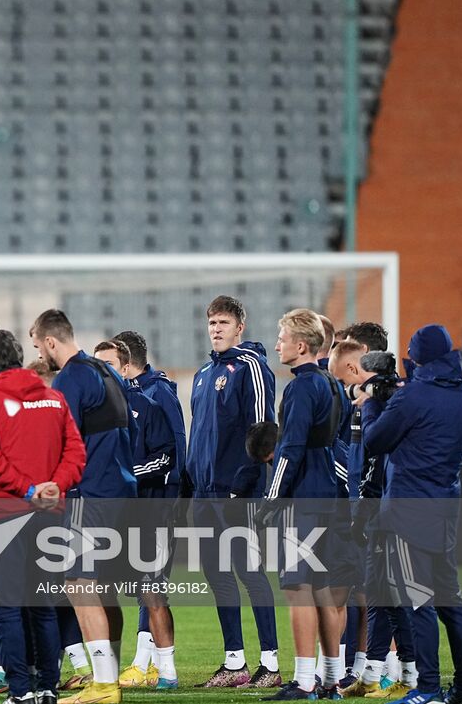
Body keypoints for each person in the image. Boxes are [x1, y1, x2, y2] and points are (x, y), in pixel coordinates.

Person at [0, 329, 86, 704]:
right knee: (43, 606)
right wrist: (55, 486)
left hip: (2, 514)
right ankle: (48, 687)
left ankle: (20, 692)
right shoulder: (53, 398)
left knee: (5, 608)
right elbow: (76, 453)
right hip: (50, 514)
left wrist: (29, 490)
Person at [360, 326, 462, 704]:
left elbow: (375, 441)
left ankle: (428, 688)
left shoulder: (412, 397)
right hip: (445, 509)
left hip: (408, 511)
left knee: (418, 603)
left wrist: (373, 402)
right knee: (452, 604)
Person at [31, 309, 133, 704]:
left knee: (80, 587)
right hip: (121, 493)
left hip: (90, 497)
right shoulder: (105, 371)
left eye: (39, 345)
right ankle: (111, 677)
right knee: (105, 590)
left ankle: (104, 685)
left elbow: (59, 441)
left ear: (51, 342)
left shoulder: (72, 376)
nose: (40, 352)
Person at [186, 295, 282, 688]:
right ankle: (234, 663)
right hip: (205, 494)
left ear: (240, 327)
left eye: (223, 322)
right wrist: (189, 488)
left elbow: (263, 432)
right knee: (217, 573)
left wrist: (241, 486)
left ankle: (271, 665)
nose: (216, 329)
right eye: (212, 323)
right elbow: (199, 438)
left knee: (249, 571)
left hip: (237, 493)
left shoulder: (252, 368)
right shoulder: (202, 374)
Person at [258, 309, 350, 701]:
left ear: (300, 346)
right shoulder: (334, 385)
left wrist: (271, 498)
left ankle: (305, 680)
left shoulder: (299, 388)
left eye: (281, 338)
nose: (277, 344)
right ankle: (331, 679)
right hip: (332, 496)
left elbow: (290, 450)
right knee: (328, 591)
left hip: (305, 503)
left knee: (299, 588)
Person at [329, 338, 417, 701]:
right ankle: (376, 671)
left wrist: (362, 507)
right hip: (370, 508)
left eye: (351, 380)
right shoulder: (372, 405)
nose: (352, 390)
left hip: (383, 511)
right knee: (381, 596)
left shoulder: (388, 409)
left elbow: (375, 464)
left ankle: (411, 674)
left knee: (396, 597)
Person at [94, 338, 179, 691]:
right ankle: (108, 671)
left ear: (125, 368)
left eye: (109, 365)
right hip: (110, 520)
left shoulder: (148, 406)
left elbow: (165, 459)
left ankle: (168, 672)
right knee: (105, 593)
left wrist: (125, 473)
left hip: (148, 515)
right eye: (97, 366)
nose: (103, 373)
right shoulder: (92, 414)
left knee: (152, 593)